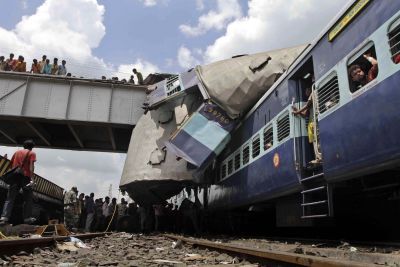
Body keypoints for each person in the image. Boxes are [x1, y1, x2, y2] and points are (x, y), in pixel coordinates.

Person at [0, 140, 37, 225]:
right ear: (32, 147)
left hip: (15, 177)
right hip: (25, 178)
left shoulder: (16, 152)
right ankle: (27, 218)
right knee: (28, 199)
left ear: (24, 145)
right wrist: (32, 179)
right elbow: (31, 167)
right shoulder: (32, 153)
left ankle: (4, 218)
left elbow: (11, 165)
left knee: (10, 198)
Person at [292, 87, 322, 164]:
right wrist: (297, 111)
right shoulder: (311, 101)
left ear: (310, 90)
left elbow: (307, 106)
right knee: (314, 141)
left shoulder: (313, 93)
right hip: (311, 123)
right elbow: (305, 115)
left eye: (306, 90)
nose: (305, 92)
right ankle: (317, 158)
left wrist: (297, 112)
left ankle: (320, 158)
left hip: (314, 122)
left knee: (317, 140)